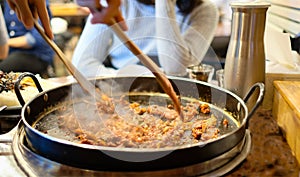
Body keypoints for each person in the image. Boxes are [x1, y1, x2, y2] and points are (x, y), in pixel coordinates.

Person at [72, 0, 219, 77]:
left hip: (179, 91)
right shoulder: (115, 4)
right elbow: (81, 65)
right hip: (122, 88)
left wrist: (164, 3)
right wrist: (127, 79)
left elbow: (176, 69)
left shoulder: (205, 10)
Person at [0, 0, 55, 78]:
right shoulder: (7, 3)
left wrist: (5, 42)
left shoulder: (35, 3)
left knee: (2, 68)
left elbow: (33, 40)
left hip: (35, 54)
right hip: (12, 52)